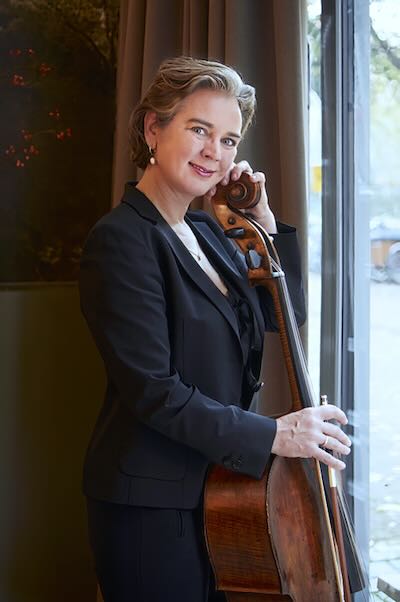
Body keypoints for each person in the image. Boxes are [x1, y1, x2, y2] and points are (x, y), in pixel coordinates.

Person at [79, 56, 351, 602]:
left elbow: (281, 316)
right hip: (150, 506)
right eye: (199, 130)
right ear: (153, 129)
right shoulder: (121, 240)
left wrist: (265, 227)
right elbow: (154, 391)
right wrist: (277, 436)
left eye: (228, 140)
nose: (214, 152)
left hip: (221, 487)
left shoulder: (205, 230)